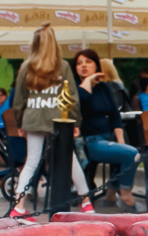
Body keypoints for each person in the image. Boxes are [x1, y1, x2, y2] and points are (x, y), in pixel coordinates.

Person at [9, 24, 93, 219]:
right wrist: (75, 123)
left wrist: (20, 122)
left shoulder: (26, 67)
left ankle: (18, 207)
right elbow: (72, 97)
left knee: (31, 161)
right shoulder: (62, 66)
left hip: (33, 118)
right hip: (59, 119)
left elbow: (19, 99)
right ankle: (86, 202)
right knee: (70, 160)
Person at [74, 49, 141, 211]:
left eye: (88, 62)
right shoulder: (75, 89)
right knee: (131, 154)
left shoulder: (104, 87)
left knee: (128, 151)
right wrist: (88, 80)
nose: (83, 66)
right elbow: (83, 99)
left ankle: (111, 195)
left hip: (108, 137)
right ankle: (126, 195)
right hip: (90, 141)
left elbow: (114, 116)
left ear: (96, 65)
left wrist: (121, 141)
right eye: (79, 63)